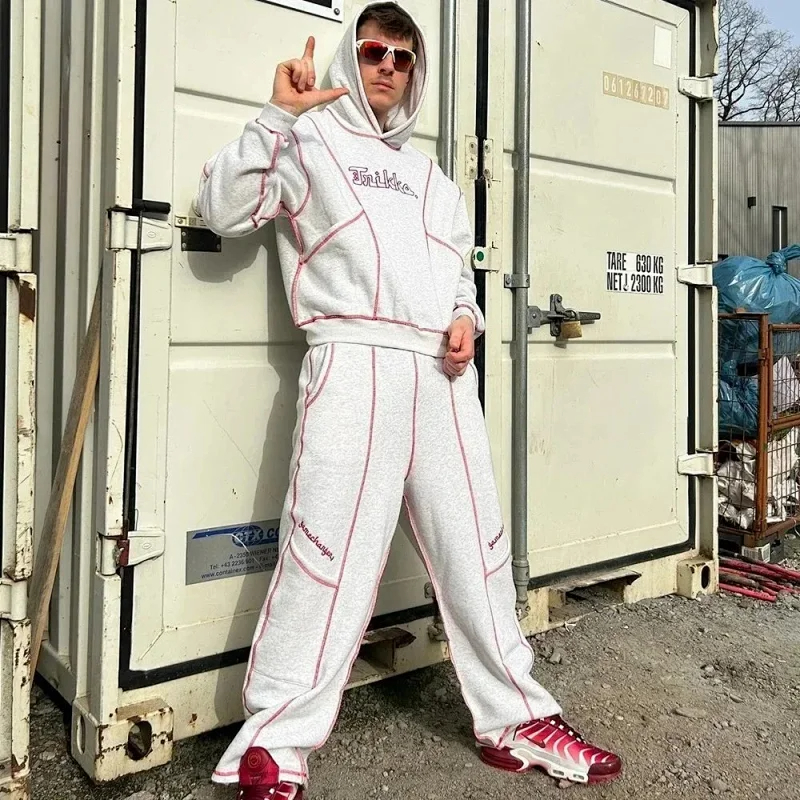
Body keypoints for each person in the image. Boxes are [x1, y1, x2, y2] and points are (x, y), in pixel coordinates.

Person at [195, 3, 622, 797]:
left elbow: (458, 274)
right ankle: (276, 742)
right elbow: (219, 209)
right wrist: (276, 117)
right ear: (348, 60)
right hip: (353, 361)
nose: (388, 66)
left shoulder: (433, 179)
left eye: (403, 56)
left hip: (441, 379)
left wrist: (466, 318)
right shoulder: (308, 142)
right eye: (373, 51)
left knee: (476, 549)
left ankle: (515, 718)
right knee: (324, 550)